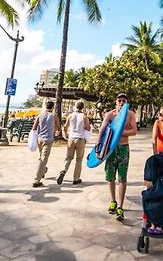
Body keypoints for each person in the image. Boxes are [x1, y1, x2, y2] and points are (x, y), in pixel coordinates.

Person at [97, 92, 137, 221]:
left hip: (124, 148)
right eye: (119, 100)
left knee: (122, 178)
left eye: (123, 101)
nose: (121, 102)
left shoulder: (130, 114)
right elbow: (102, 129)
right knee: (110, 177)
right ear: (116, 102)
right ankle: (113, 201)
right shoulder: (110, 114)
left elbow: (134, 131)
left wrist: (120, 132)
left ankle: (120, 206)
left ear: (126, 103)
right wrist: (98, 146)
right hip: (110, 149)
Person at [57, 99, 91, 185]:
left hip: (71, 138)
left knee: (68, 158)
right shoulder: (84, 117)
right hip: (80, 139)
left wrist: (66, 134)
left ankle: (63, 171)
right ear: (83, 108)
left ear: (75, 107)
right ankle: (76, 179)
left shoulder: (70, 116)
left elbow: (65, 127)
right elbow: (87, 128)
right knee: (79, 160)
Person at [32, 101, 61, 188]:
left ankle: (43, 170)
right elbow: (59, 127)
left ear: (45, 107)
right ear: (53, 107)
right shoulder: (54, 115)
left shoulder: (39, 115)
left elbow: (34, 127)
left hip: (40, 139)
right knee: (44, 159)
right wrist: (57, 131)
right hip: (48, 139)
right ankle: (37, 180)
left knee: (41, 157)